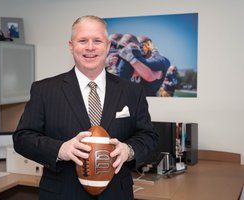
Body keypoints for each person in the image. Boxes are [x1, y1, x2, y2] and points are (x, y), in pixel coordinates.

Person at [13, 15, 158, 200]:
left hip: (116, 194)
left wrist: (128, 150)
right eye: (82, 41)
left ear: (107, 46)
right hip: (62, 195)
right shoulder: (44, 90)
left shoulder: (132, 91)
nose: (90, 47)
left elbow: (149, 137)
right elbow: (22, 138)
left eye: (97, 41)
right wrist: (60, 149)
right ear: (71, 46)